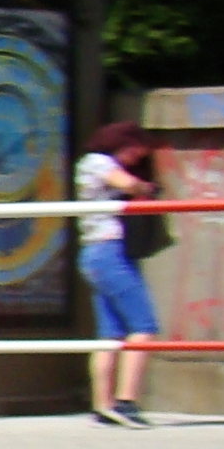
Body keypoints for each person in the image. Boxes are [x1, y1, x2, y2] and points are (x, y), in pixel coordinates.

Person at [76, 120, 162, 427]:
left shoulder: (89, 165)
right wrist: (145, 189)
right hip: (109, 251)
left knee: (110, 333)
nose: (133, 160)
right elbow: (125, 183)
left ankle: (103, 404)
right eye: (132, 153)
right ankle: (127, 401)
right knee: (144, 325)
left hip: (94, 253)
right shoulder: (98, 163)